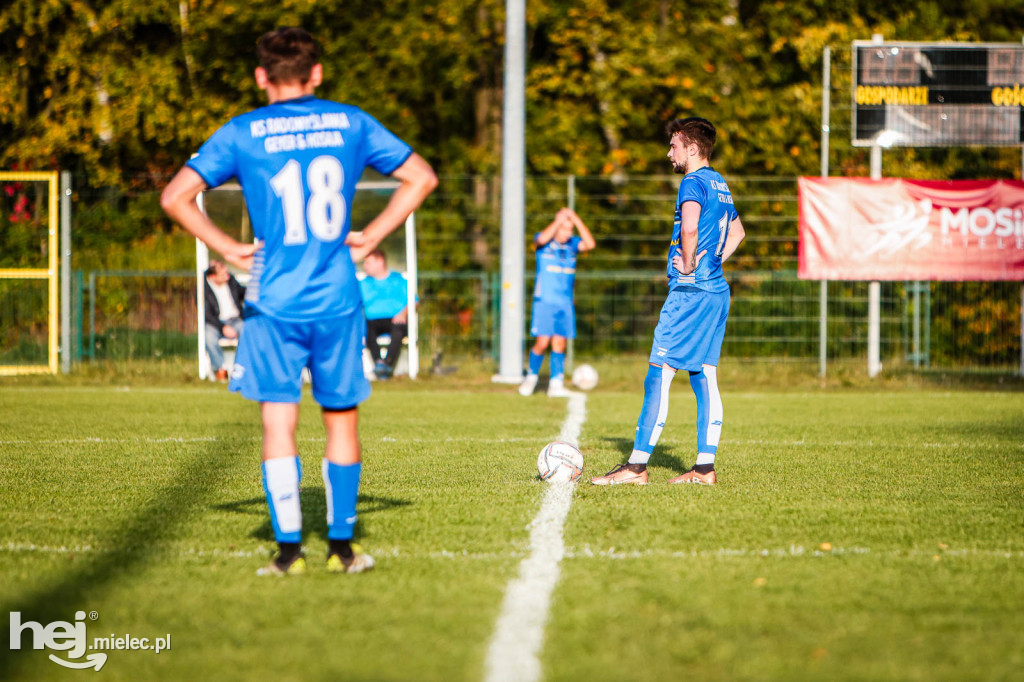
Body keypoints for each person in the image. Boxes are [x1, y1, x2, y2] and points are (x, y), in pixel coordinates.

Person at [161, 27, 437, 575]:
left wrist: (231, 249)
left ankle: (289, 554)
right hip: (336, 297)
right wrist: (374, 233)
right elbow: (421, 177)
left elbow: (175, 196)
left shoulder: (242, 132)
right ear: (316, 75)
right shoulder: (350, 122)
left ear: (261, 76)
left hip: (273, 300)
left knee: (278, 422)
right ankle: (341, 550)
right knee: (341, 421)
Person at [591, 117, 745, 486]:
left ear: (692, 148)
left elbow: (690, 227)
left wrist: (691, 263)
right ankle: (704, 469)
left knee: (659, 371)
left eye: (674, 146)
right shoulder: (719, 182)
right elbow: (738, 232)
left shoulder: (692, 182)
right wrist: (711, 262)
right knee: (704, 373)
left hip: (691, 292)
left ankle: (636, 467)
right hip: (716, 290)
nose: (669, 153)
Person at [518, 207, 595, 398]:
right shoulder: (544, 243)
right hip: (544, 301)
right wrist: (558, 220)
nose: (567, 233)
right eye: (564, 228)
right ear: (557, 227)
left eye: (570, 230)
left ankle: (556, 383)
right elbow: (542, 239)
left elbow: (590, 244)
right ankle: (531, 377)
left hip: (565, 302)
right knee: (542, 342)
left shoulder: (573, 245)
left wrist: (575, 219)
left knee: (559, 343)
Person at [359, 249, 410, 380]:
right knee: (366, 328)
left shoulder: (399, 280)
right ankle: (379, 363)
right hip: (372, 321)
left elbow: (413, 301)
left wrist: (403, 314)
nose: (365, 266)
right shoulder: (363, 283)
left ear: (380, 261)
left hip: (396, 319)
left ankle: (387, 364)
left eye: (368, 262)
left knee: (397, 329)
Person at [204, 259, 246, 381]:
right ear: (212, 277)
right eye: (223, 275)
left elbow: (244, 293)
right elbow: (207, 314)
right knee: (209, 337)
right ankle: (220, 370)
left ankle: (240, 368)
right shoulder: (203, 288)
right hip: (215, 323)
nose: (227, 276)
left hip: (235, 320)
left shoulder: (231, 281)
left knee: (247, 331)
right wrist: (222, 327)